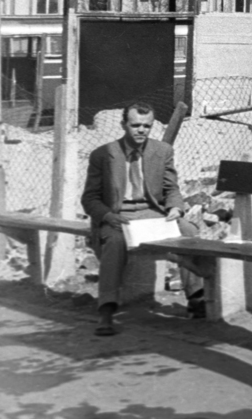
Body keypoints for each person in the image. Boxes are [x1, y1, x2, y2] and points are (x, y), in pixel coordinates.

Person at [81, 103, 205, 335]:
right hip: (119, 217)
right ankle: (106, 310)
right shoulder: (103, 154)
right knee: (115, 242)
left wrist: (176, 208)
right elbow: (89, 199)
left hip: (153, 214)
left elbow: (172, 189)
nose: (141, 130)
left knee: (189, 231)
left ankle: (197, 297)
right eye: (135, 125)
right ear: (123, 125)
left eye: (146, 126)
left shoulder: (162, 151)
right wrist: (107, 216)